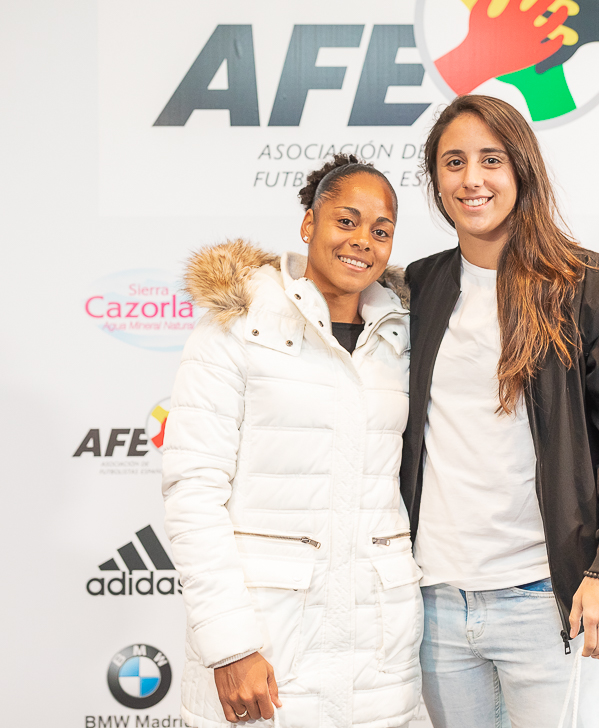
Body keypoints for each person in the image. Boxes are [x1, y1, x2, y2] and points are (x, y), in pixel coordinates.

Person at [400, 95, 599, 728]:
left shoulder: (589, 285)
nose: (472, 179)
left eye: (490, 160)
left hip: (544, 601)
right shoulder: (419, 287)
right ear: (436, 180)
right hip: (434, 602)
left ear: (522, 168)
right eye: (453, 162)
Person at [162, 154, 422, 728]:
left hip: (380, 656)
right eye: (346, 221)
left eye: (381, 231)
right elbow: (193, 492)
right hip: (268, 645)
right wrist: (230, 644)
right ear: (309, 224)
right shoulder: (239, 322)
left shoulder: (405, 336)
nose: (363, 240)